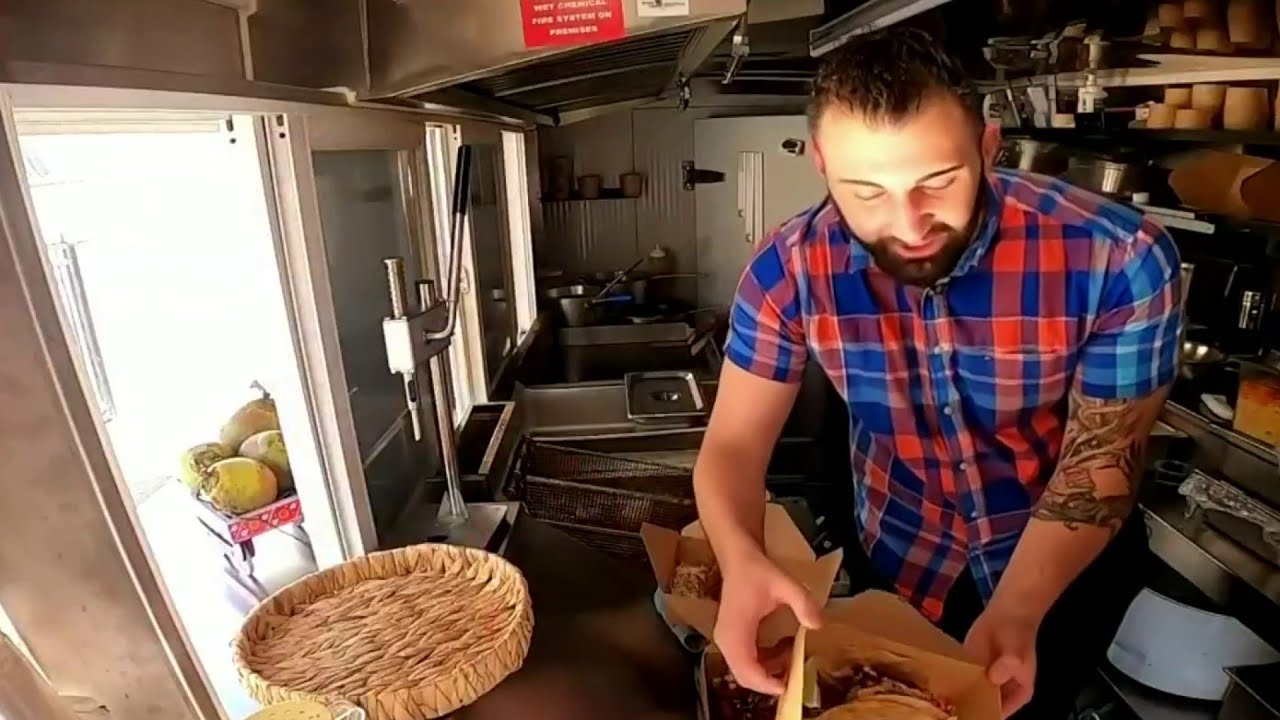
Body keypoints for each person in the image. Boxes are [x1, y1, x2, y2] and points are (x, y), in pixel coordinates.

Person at [692, 28, 1182, 720]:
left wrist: (1017, 611)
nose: (908, 223)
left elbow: (1100, 462)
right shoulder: (789, 270)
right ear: (823, 164)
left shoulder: (1118, 257)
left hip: (1053, 565)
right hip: (898, 554)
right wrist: (740, 560)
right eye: (865, 192)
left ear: (987, 147)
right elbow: (734, 448)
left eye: (938, 183)